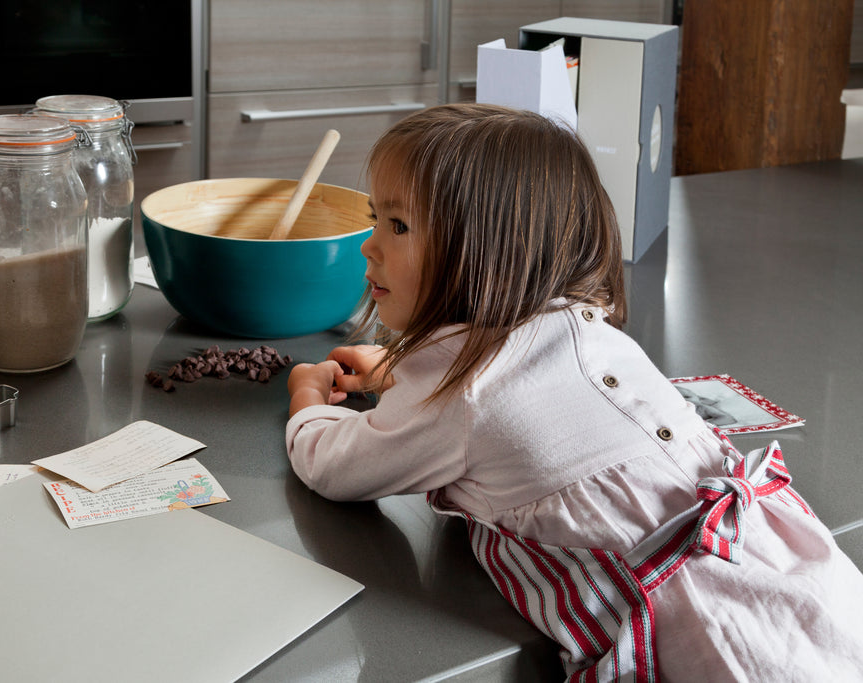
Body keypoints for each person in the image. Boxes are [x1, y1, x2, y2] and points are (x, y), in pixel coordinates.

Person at [284, 103, 863, 681]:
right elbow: (528, 394)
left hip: (704, 636)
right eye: (375, 217)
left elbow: (336, 468)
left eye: (399, 225)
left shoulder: (462, 399)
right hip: (789, 574)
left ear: (485, 251)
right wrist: (399, 372)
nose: (369, 244)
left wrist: (307, 396)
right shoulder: (589, 326)